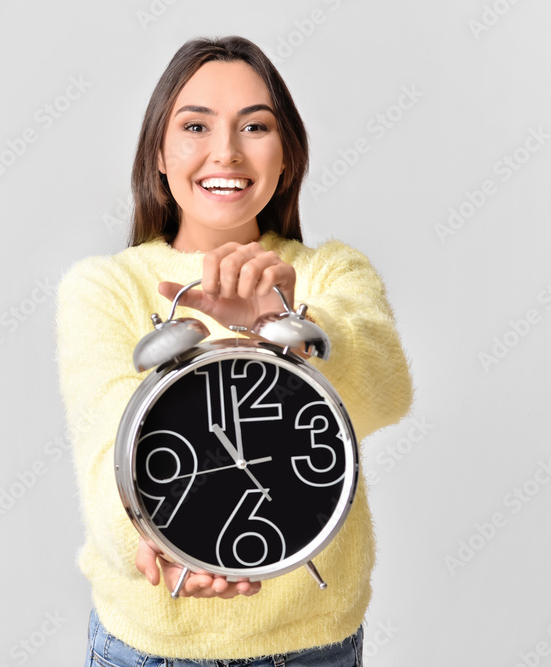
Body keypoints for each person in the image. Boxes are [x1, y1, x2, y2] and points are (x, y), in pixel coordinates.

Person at [55, 35, 413, 666]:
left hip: (312, 646)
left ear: (286, 159)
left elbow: (385, 393)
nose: (225, 151)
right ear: (159, 156)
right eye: (195, 125)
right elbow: (105, 442)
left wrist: (287, 323)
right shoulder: (103, 287)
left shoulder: (331, 272)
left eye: (255, 126)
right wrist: (149, 544)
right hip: (148, 645)